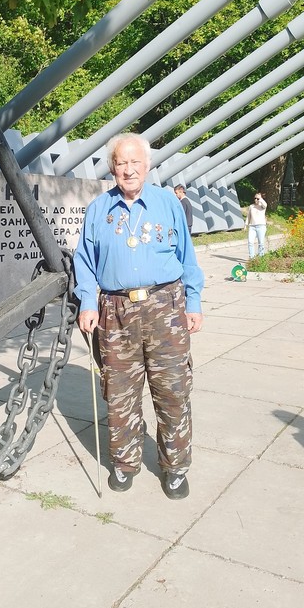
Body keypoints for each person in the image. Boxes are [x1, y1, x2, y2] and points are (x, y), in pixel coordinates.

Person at [73, 134, 204, 500]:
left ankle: (175, 467)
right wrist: (87, 301)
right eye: (120, 163)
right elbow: (83, 261)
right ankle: (124, 461)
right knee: (119, 393)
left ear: (147, 166)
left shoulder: (168, 204)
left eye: (135, 162)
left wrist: (193, 301)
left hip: (166, 308)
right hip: (115, 312)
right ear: (112, 167)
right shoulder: (99, 209)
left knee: (173, 390)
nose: (128, 170)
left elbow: (187, 257)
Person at [245, 192, 268, 258]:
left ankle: (261, 257)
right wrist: (246, 224)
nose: (256, 200)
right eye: (255, 198)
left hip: (261, 226)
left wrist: (260, 199)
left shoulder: (262, 206)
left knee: (261, 243)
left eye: (257, 198)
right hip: (252, 226)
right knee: (250, 242)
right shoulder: (251, 206)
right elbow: (248, 216)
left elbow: (265, 205)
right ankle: (251, 258)